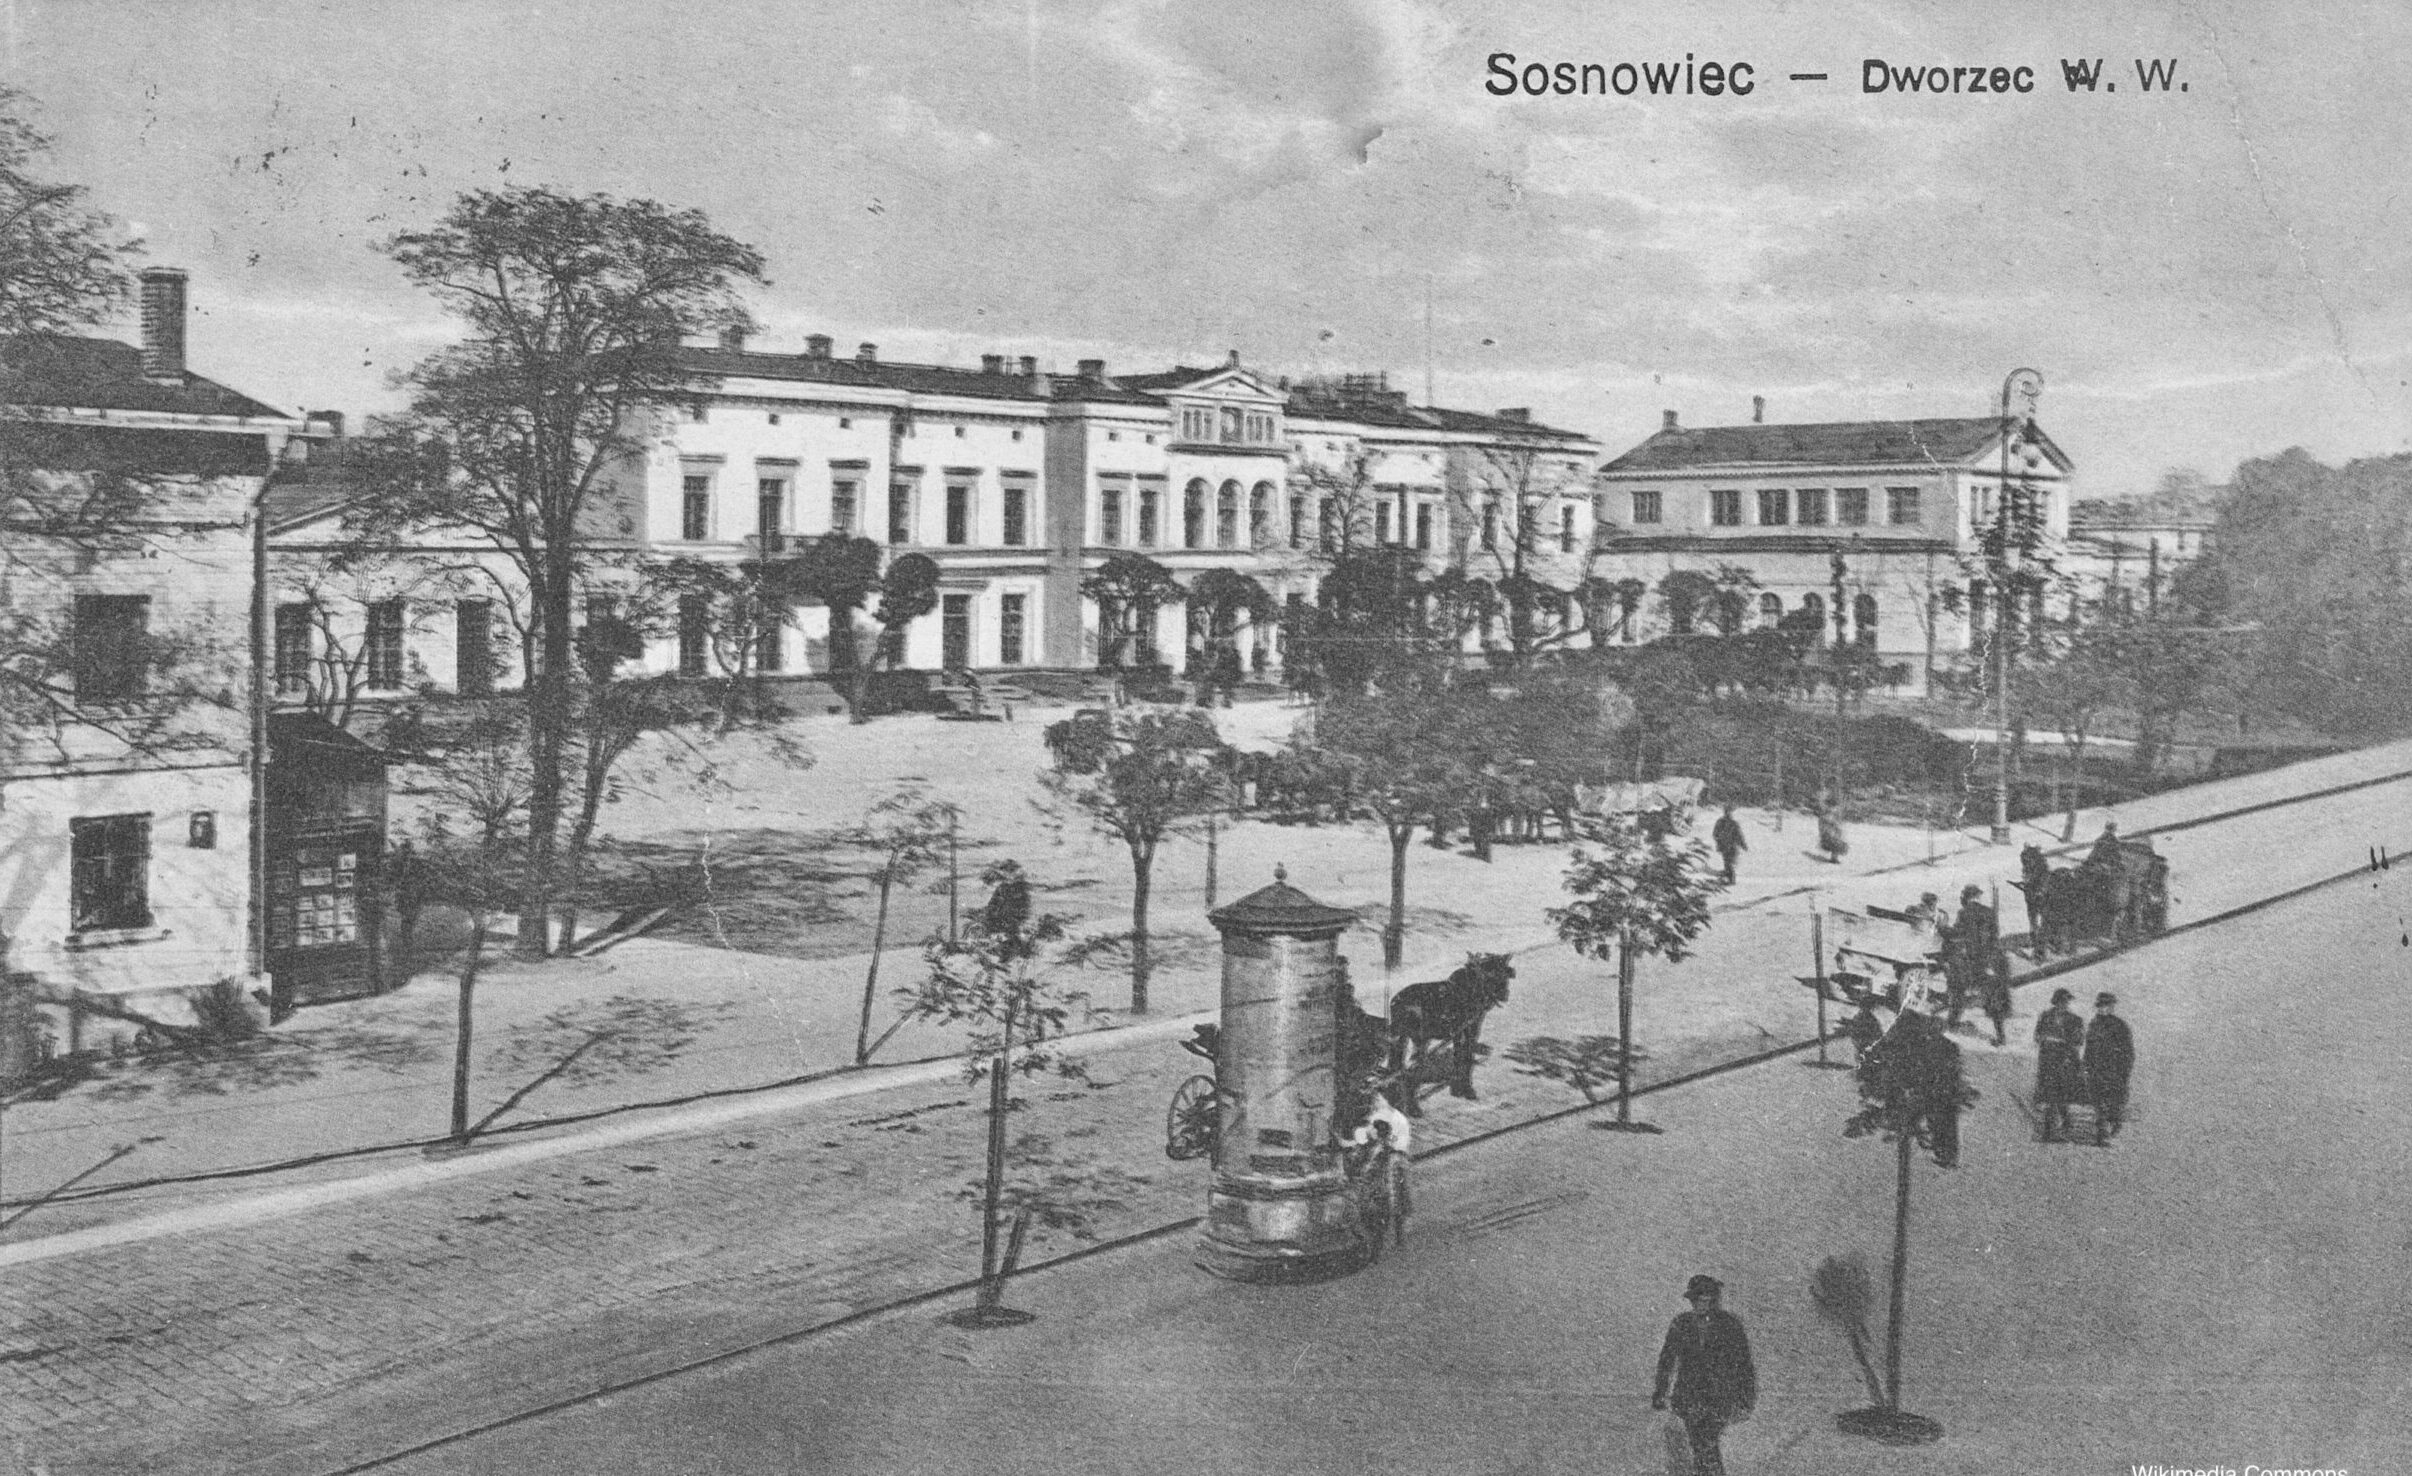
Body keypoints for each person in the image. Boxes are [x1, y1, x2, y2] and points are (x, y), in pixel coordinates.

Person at [1652, 1274, 1757, 1476]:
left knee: (1706, 1443)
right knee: (1700, 1446)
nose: (1700, 1304)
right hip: (1688, 1398)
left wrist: (1746, 1399)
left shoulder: (1730, 1325)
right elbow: (1667, 1360)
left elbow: (1744, 1365)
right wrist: (1660, 1392)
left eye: (1705, 1300)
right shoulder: (1681, 1324)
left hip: (1719, 1398)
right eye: (1696, 1300)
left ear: (1713, 1300)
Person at [2033, 987, 2088, 1142]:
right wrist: (2045, 1039)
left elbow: (2079, 1040)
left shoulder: (2075, 1019)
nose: (2063, 1005)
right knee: (2052, 1094)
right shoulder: (2045, 1016)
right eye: (2061, 1002)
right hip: (2048, 1062)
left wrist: (2064, 1044)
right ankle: (2052, 1128)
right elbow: (2037, 1035)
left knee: (2060, 1094)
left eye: (2066, 1002)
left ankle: (2059, 1124)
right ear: (2055, 1002)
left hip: (2066, 1061)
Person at [2083, 992, 2137, 1146]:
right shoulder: (2094, 1024)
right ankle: (2102, 1134)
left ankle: (2115, 1121)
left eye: (2106, 1006)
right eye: (2100, 1006)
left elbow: (2128, 1051)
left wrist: (2124, 1070)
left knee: (2114, 1101)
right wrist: (2086, 1065)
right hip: (2097, 1069)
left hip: (2115, 1069)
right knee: (2099, 1102)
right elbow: (2089, 1047)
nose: (2103, 1009)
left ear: (2112, 1007)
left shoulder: (2120, 1025)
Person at [1711, 805, 1747, 884]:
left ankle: (1730, 879)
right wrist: (1743, 845)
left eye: (1729, 812)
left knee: (1728, 863)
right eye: (1728, 812)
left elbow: (1715, 834)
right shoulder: (1731, 823)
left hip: (1727, 846)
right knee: (1728, 863)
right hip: (1729, 846)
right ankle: (1730, 879)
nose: (1729, 814)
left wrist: (1719, 841)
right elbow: (1739, 836)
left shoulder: (1722, 822)